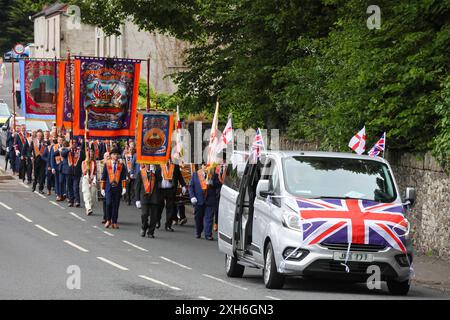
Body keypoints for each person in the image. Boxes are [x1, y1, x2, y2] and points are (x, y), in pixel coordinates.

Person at [188, 163, 221, 240]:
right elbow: (191, 187)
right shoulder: (195, 174)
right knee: (198, 217)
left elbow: (219, 184)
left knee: (209, 217)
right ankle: (198, 231)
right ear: (201, 166)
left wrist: (212, 183)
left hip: (210, 199)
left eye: (207, 165)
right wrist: (192, 197)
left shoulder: (213, 174)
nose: (206, 166)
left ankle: (208, 234)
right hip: (198, 199)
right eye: (204, 165)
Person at [157, 157, 187, 232]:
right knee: (159, 207)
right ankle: (157, 221)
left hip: (171, 189)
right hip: (161, 190)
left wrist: (183, 185)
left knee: (170, 208)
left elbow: (179, 176)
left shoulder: (175, 166)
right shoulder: (159, 165)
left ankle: (168, 225)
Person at [100, 148, 127, 229]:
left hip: (118, 188)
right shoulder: (107, 164)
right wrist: (102, 188)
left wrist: (124, 187)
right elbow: (103, 177)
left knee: (116, 205)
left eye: (116, 154)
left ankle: (114, 221)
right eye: (114, 154)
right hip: (108, 187)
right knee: (108, 203)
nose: (115, 156)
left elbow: (123, 177)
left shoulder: (121, 165)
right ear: (111, 155)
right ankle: (108, 219)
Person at [135, 164, 162, 238]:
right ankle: (144, 227)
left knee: (154, 216)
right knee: (144, 214)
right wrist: (137, 199)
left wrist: (155, 173)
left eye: (150, 164)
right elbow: (137, 186)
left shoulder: (156, 172)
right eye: (147, 164)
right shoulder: (140, 173)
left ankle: (151, 232)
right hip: (144, 197)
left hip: (154, 197)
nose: (149, 166)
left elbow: (160, 180)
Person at [61, 139, 85, 207]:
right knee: (69, 186)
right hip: (68, 172)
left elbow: (84, 159)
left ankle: (77, 201)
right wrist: (69, 149)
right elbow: (63, 154)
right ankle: (71, 200)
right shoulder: (66, 150)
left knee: (76, 187)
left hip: (77, 172)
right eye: (72, 143)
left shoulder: (80, 151)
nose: (74, 144)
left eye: (75, 142)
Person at [82, 148, 97, 215]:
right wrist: (86, 168)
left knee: (92, 195)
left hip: (92, 179)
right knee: (86, 194)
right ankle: (88, 208)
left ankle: (89, 206)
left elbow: (95, 172)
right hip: (86, 179)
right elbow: (83, 172)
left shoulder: (94, 163)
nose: (91, 154)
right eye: (90, 153)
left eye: (92, 153)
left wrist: (93, 179)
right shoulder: (84, 162)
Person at [51, 136, 65, 201]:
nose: (60, 141)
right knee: (57, 181)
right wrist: (52, 167)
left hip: (64, 166)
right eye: (59, 140)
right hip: (57, 166)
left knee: (62, 180)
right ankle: (58, 194)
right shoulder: (54, 147)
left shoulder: (65, 147)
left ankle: (63, 193)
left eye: (61, 140)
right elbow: (52, 157)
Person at [99, 152, 110, 224]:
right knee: (105, 201)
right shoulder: (101, 163)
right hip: (103, 183)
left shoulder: (111, 164)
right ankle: (105, 217)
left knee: (110, 202)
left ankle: (109, 217)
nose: (108, 157)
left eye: (109, 156)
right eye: (107, 156)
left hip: (110, 184)